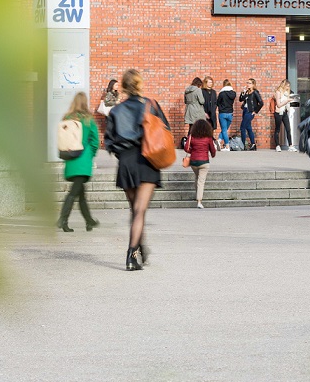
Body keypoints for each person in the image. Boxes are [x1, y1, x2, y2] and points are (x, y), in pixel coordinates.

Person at [105, 68, 171, 271]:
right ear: (140, 85)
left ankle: (139, 247)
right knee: (140, 211)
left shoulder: (116, 111)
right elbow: (166, 130)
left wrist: (123, 152)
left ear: (123, 87)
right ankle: (132, 254)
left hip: (126, 162)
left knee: (135, 211)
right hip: (147, 160)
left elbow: (109, 143)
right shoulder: (150, 105)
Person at [57, 91, 100, 232]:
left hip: (70, 160)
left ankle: (89, 221)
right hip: (83, 161)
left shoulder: (66, 118)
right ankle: (62, 219)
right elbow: (95, 142)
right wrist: (90, 155)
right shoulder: (88, 119)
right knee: (74, 192)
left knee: (81, 193)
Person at [185, 118, 217, 208]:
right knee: (201, 181)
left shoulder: (192, 136)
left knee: (197, 177)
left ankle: (197, 194)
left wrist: (193, 150)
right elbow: (212, 150)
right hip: (204, 162)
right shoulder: (208, 138)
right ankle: (199, 201)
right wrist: (213, 155)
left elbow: (186, 147)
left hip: (194, 162)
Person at [238, 78, 264, 150]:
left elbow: (261, 103)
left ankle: (242, 145)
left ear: (253, 84)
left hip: (250, 112)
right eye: (247, 83)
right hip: (245, 111)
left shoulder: (255, 92)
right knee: (248, 128)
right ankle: (253, 144)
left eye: (249, 83)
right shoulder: (247, 92)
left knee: (242, 127)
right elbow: (241, 99)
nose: (247, 84)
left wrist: (255, 111)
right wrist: (243, 92)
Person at [273, 79, 297, 152]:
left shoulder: (287, 93)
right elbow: (279, 104)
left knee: (288, 129)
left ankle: (291, 145)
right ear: (284, 85)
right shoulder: (278, 92)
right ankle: (277, 145)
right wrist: (287, 101)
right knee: (277, 129)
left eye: (289, 86)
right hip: (278, 112)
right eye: (287, 86)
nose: (288, 87)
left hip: (284, 112)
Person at [216, 79, 236, 151]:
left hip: (223, 113)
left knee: (224, 130)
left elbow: (217, 102)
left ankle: (227, 147)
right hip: (230, 113)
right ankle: (219, 140)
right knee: (225, 130)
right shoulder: (233, 93)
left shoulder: (222, 93)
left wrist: (220, 107)